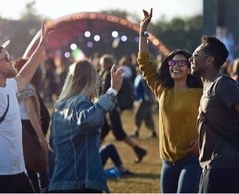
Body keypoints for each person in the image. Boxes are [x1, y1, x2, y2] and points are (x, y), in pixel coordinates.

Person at [137, 8, 203, 193]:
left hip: (191, 160)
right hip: (167, 161)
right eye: (172, 63)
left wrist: (202, 140)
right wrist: (143, 30)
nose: (176, 66)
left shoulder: (200, 93)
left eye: (182, 63)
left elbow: (213, 120)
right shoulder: (162, 90)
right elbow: (144, 62)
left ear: (190, 68)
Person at [48, 59, 124, 193]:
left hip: (60, 181)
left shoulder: (59, 106)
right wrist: (112, 91)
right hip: (79, 182)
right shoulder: (80, 102)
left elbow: (52, 145)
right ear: (92, 80)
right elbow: (89, 120)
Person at [0, 21, 52, 193]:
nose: (11, 60)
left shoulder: (10, 86)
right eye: (6, 58)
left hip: (18, 170)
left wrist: (41, 47)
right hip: (3, 173)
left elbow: (25, 74)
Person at [189, 35, 239, 193]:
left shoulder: (222, 84)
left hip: (224, 168)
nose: (191, 59)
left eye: (195, 55)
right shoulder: (208, 85)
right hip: (211, 165)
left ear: (209, 60)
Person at [99, 54, 147, 163]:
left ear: (106, 63)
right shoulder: (115, 72)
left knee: (118, 132)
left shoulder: (108, 74)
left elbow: (108, 92)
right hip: (113, 106)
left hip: (112, 107)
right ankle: (92, 153)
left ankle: (138, 149)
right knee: (103, 130)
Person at [13, 58, 49, 193]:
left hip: (19, 128)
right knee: (40, 163)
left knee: (28, 163)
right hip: (29, 126)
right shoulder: (26, 87)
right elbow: (30, 112)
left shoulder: (14, 87)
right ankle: (44, 190)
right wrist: (40, 136)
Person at [131, 65, 157, 138]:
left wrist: (149, 98)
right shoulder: (138, 77)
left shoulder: (144, 79)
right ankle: (153, 132)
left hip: (144, 101)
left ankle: (136, 132)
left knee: (138, 115)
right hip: (141, 100)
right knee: (147, 117)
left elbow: (148, 90)